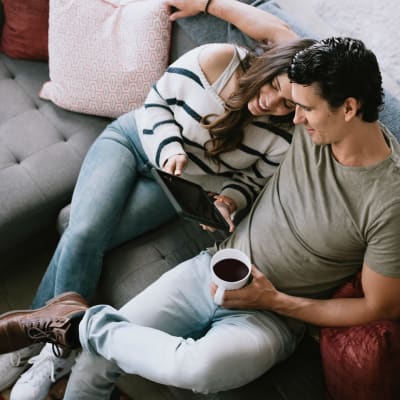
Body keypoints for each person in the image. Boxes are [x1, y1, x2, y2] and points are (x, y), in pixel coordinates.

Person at [1, 36, 400, 398]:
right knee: (95, 359)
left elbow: (378, 307)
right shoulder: (311, 124)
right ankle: (67, 336)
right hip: (213, 268)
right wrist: (210, 3)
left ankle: (74, 323)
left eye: (305, 109)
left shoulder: (389, 202)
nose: (293, 118)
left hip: (273, 317)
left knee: (196, 367)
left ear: (349, 108)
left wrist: (275, 300)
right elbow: (279, 34)